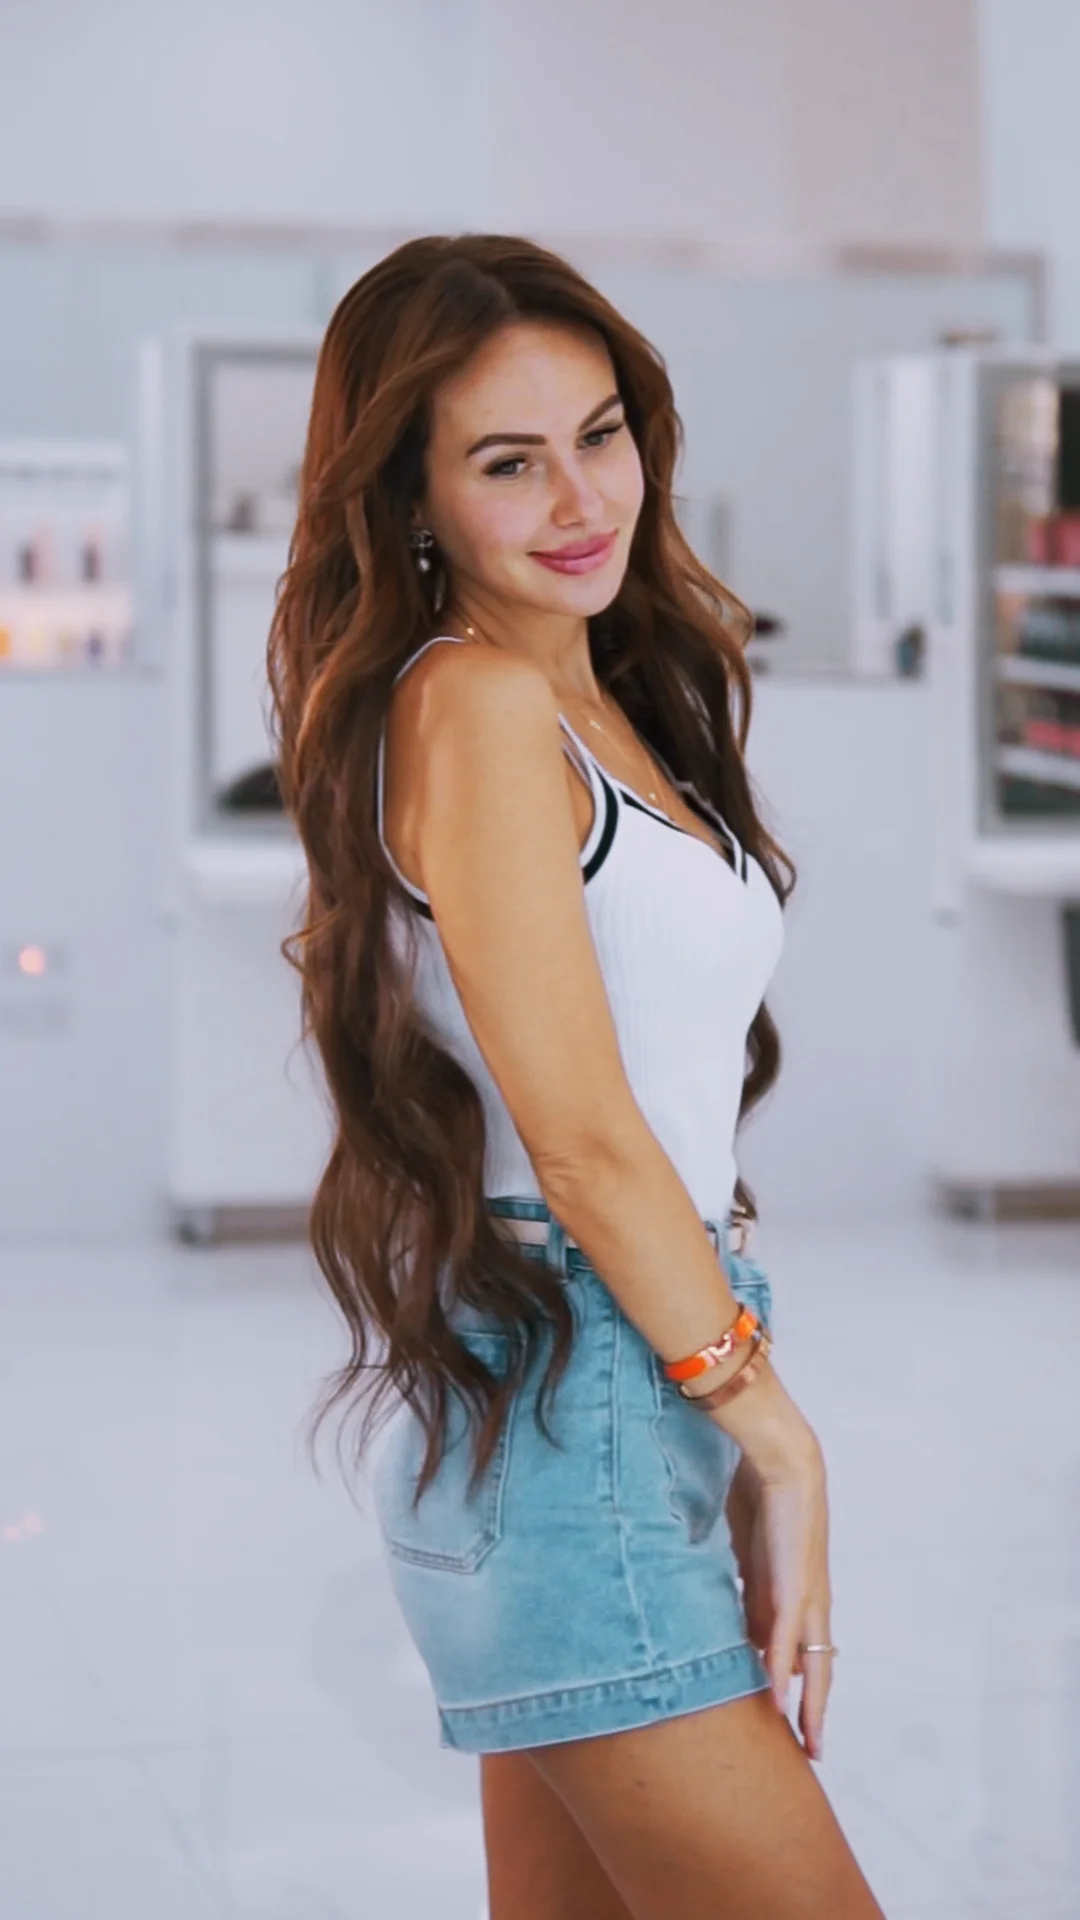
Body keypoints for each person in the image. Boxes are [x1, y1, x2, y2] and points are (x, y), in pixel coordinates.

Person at [267, 233, 884, 1920]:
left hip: (590, 1387)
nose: (575, 497)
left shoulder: (596, 697)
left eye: (599, 433)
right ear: (413, 498)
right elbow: (589, 1137)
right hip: (588, 1400)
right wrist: (773, 1429)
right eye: (506, 461)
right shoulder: (469, 705)